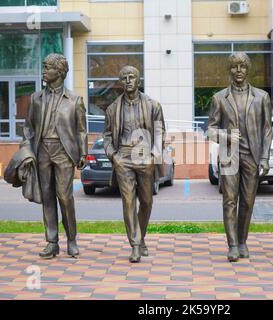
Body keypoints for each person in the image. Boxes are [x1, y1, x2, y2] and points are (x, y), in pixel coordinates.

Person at [20, 53, 88, 259]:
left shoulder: (75, 100)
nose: (43, 71)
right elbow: (28, 128)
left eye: (47, 67)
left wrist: (83, 152)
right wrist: (27, 150)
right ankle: (51, 242)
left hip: (63, 152)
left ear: (59, 72)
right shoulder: (36, 98)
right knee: (47, 197)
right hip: (42, 151)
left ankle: (72, 239)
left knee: (65, 197)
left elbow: (81, 130)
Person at [208, 52, 272, 262]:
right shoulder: (219, 98)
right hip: (229, 154)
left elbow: (267, 130)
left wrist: (264, 158)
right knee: (229, 201)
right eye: (234, 66)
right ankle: (233, 245)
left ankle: (243, 240)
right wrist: (226, 135)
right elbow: (210, 130)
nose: (238, 71)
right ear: (229, 69)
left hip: (252, 155)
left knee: (248, 201)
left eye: (242, 67)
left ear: (248, 69)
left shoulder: (262, 97)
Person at [103, 65, 166, 263]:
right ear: (120, 82)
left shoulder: (152, 105)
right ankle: (136, 245)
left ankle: (141, 237)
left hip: (145, 156)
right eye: (124, 78)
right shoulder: (113, 108)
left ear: (139, 80)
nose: (128, 80)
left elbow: (160, 132)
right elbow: (106, 136)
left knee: (146, 202)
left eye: (132, 77)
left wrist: (154, 156)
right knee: (129, 202)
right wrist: (114, 156)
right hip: (123, 156)